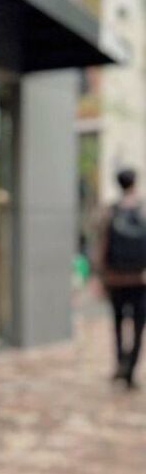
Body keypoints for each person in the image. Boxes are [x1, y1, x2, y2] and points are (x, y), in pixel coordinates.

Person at [95, 167, 146, 389]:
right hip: (140, 279)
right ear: (134, 183)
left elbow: (101, 244)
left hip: (115, 279)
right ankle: (131, 370)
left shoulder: (110, 211)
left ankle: (119, 365)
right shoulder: (143, 209)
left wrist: (100, 275)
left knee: (117, 324)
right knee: (138, 327)